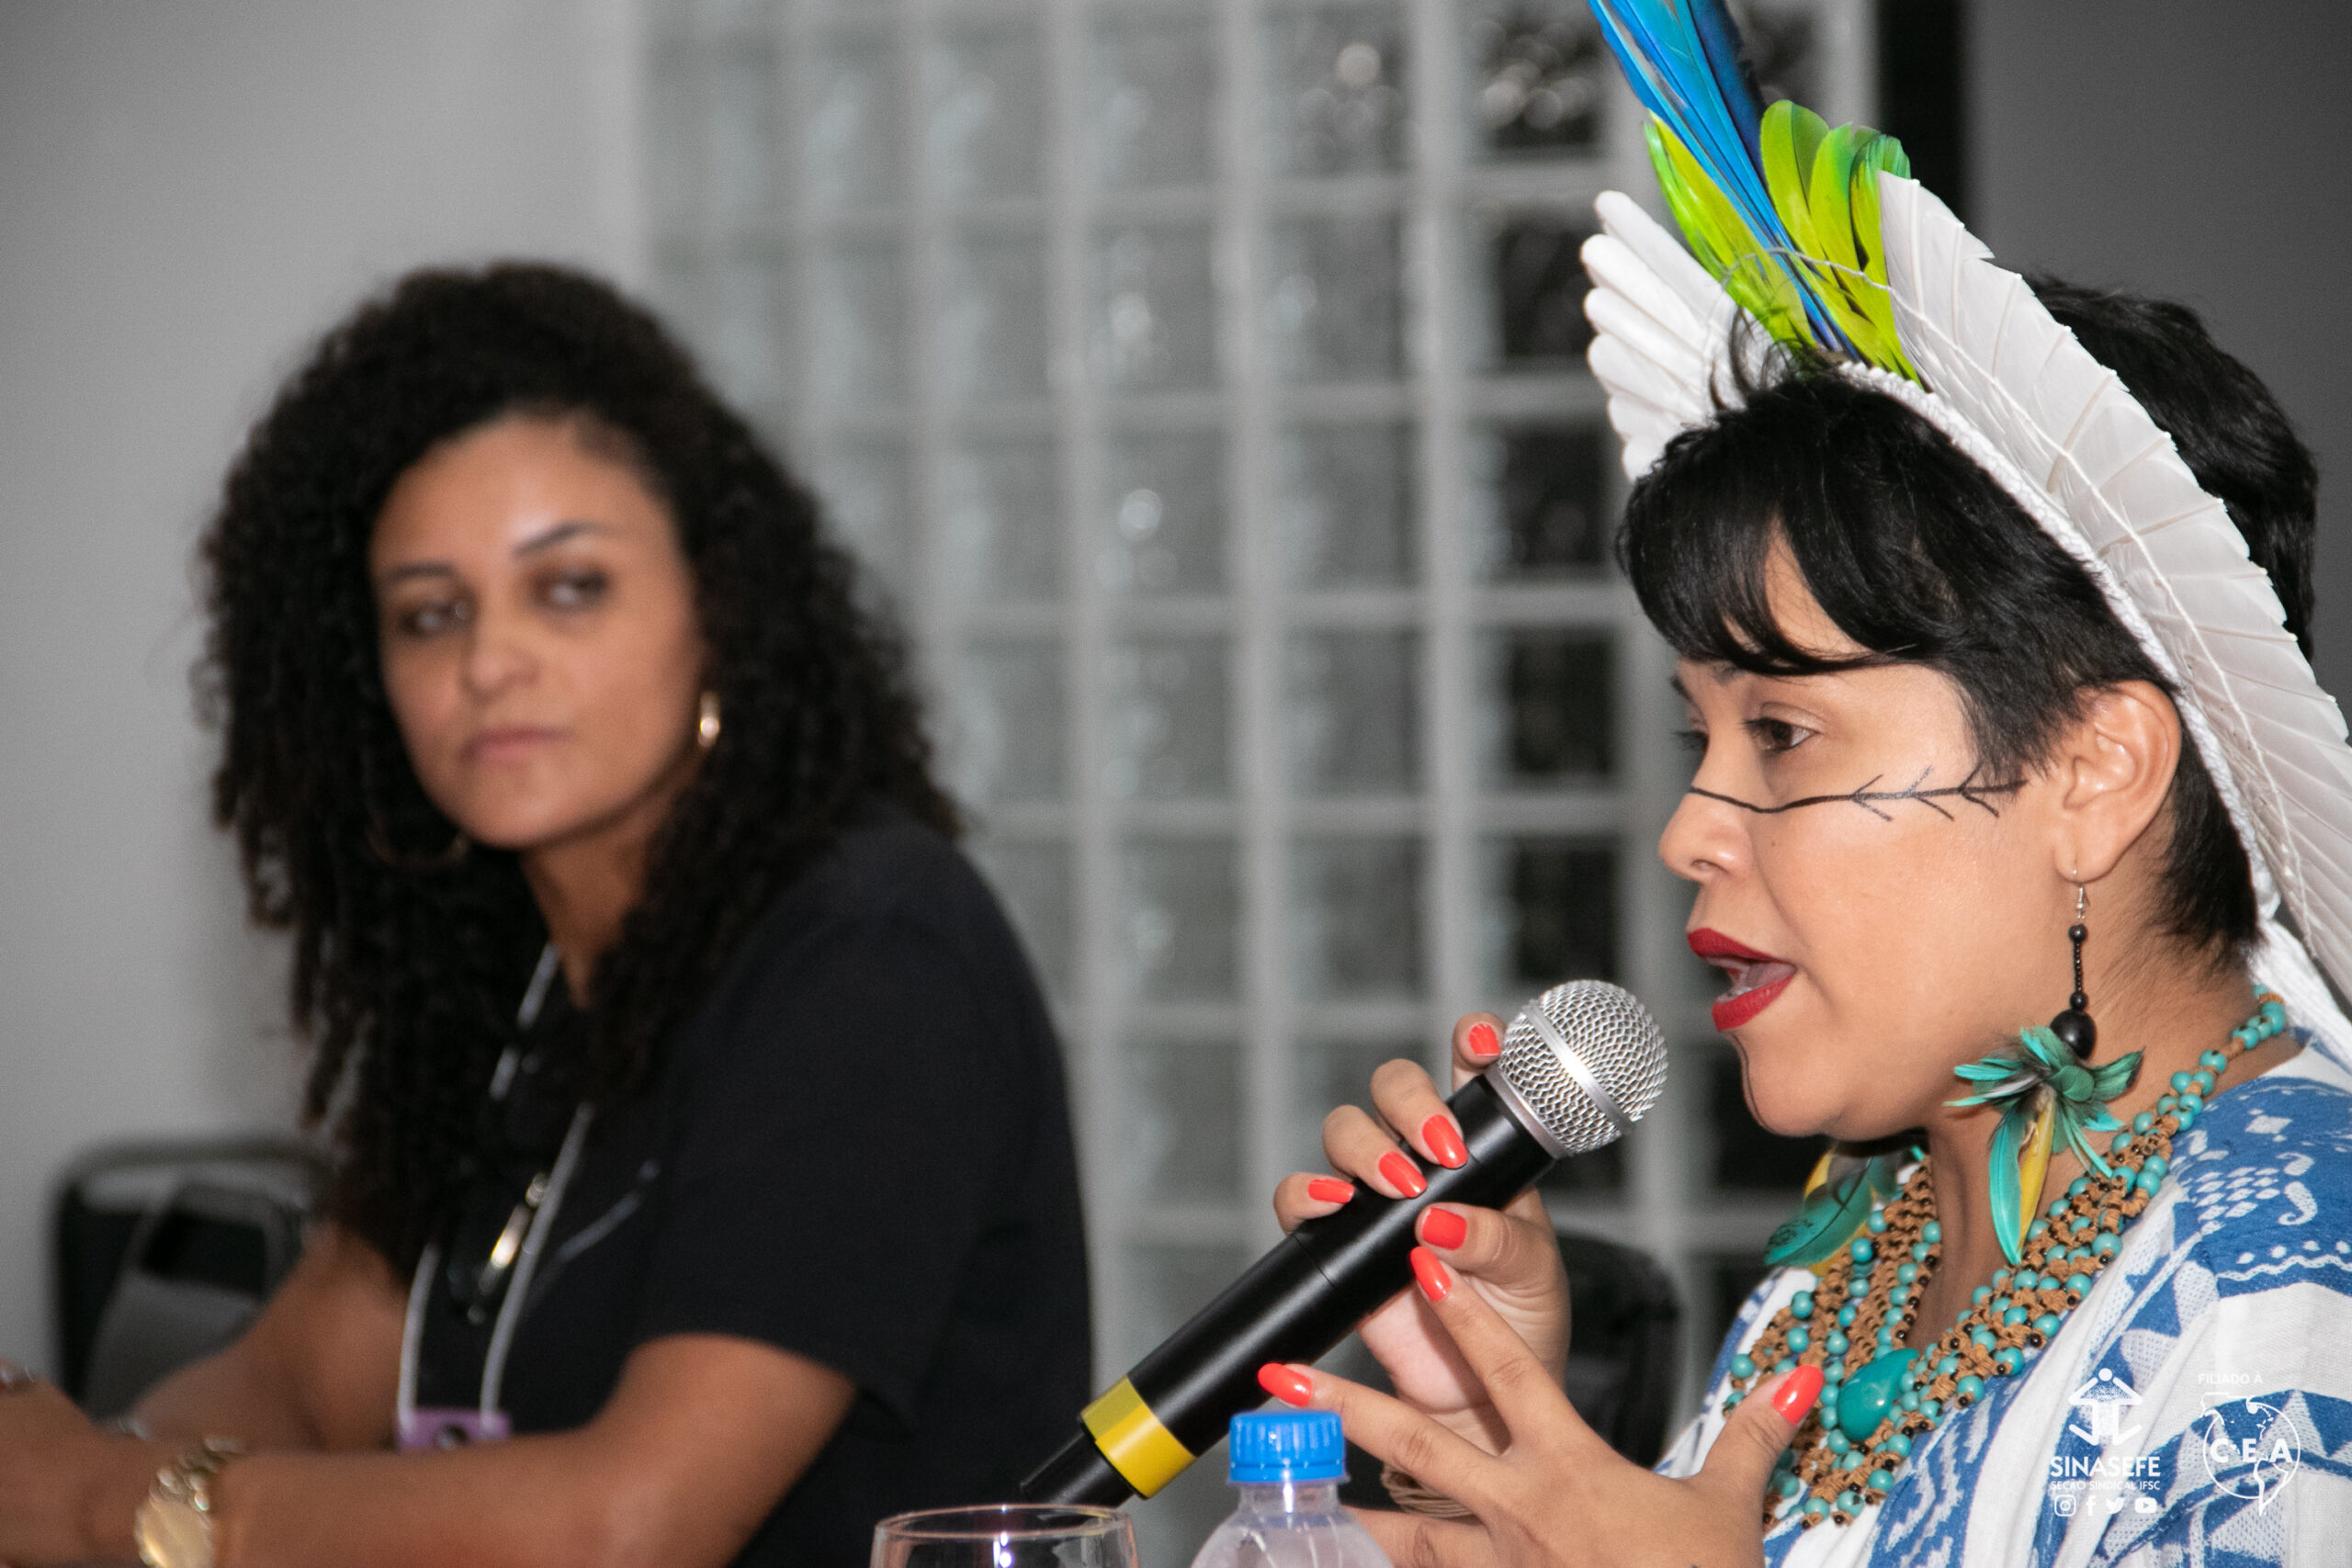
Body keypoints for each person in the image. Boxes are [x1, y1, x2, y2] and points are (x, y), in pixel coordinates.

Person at [1249, 9, 2352, 1567]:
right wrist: (1497, 1443)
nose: (1688, 833)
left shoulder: (2291, 1296)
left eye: (1783, 734)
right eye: (1698, 738)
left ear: (2095, 773)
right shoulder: (1870, 1231)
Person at [0, 265, 1090, 1567]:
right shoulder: (496, 974)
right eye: (429, 614)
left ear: (718, 609)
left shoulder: (870, 951)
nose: (489, 661)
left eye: (568, 587)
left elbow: (632, 1528)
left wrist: (108, 1507)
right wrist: (97, 1462)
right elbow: (301, 1380)